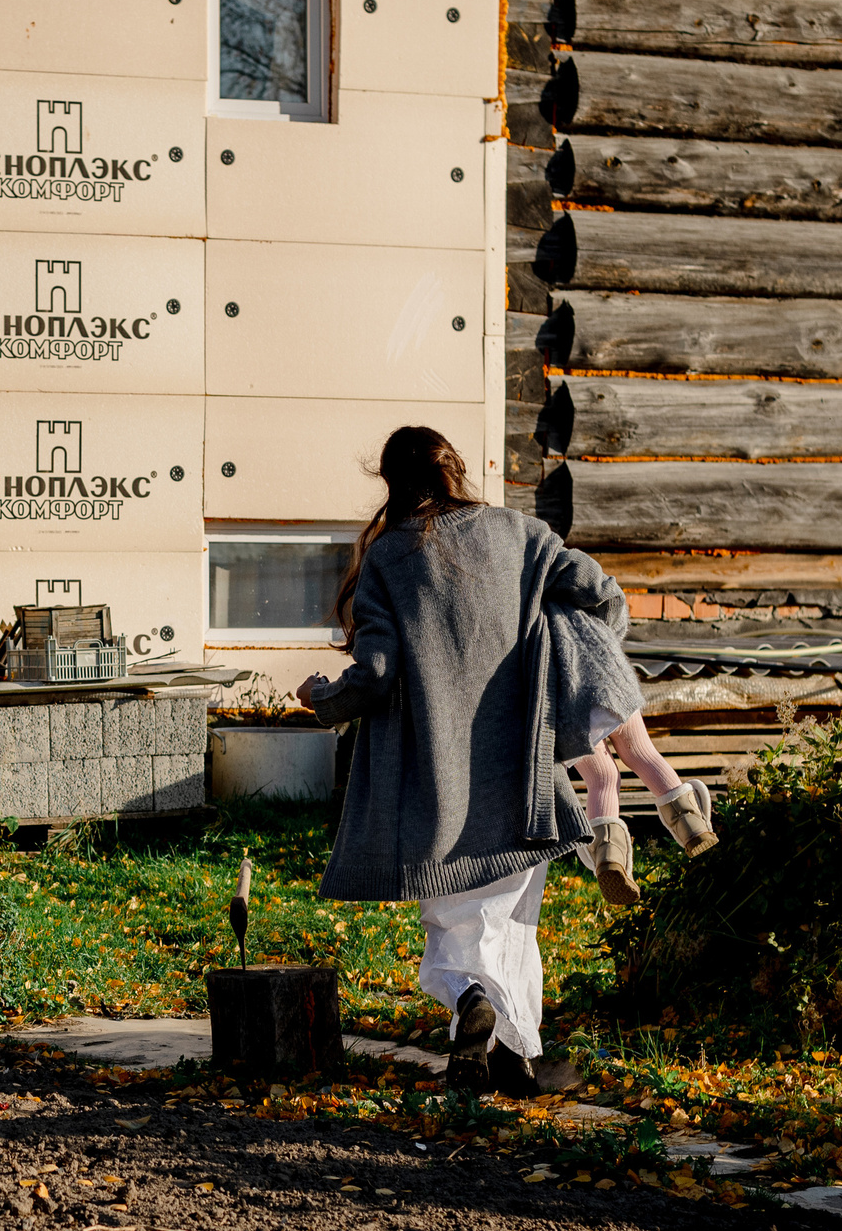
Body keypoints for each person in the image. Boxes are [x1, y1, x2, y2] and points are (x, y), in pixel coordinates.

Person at [292, 426, 717, 1096]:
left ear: (392, 481)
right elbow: (603, 593)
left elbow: (374, 674)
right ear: (453, 468)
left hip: (435, 787)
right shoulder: (520, 533)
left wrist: (320, 696)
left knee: (455, 926)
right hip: (525, 777)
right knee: (514, 926)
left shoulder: (388, 557)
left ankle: (470, 1004)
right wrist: (576, 657)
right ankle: (513, 1059)